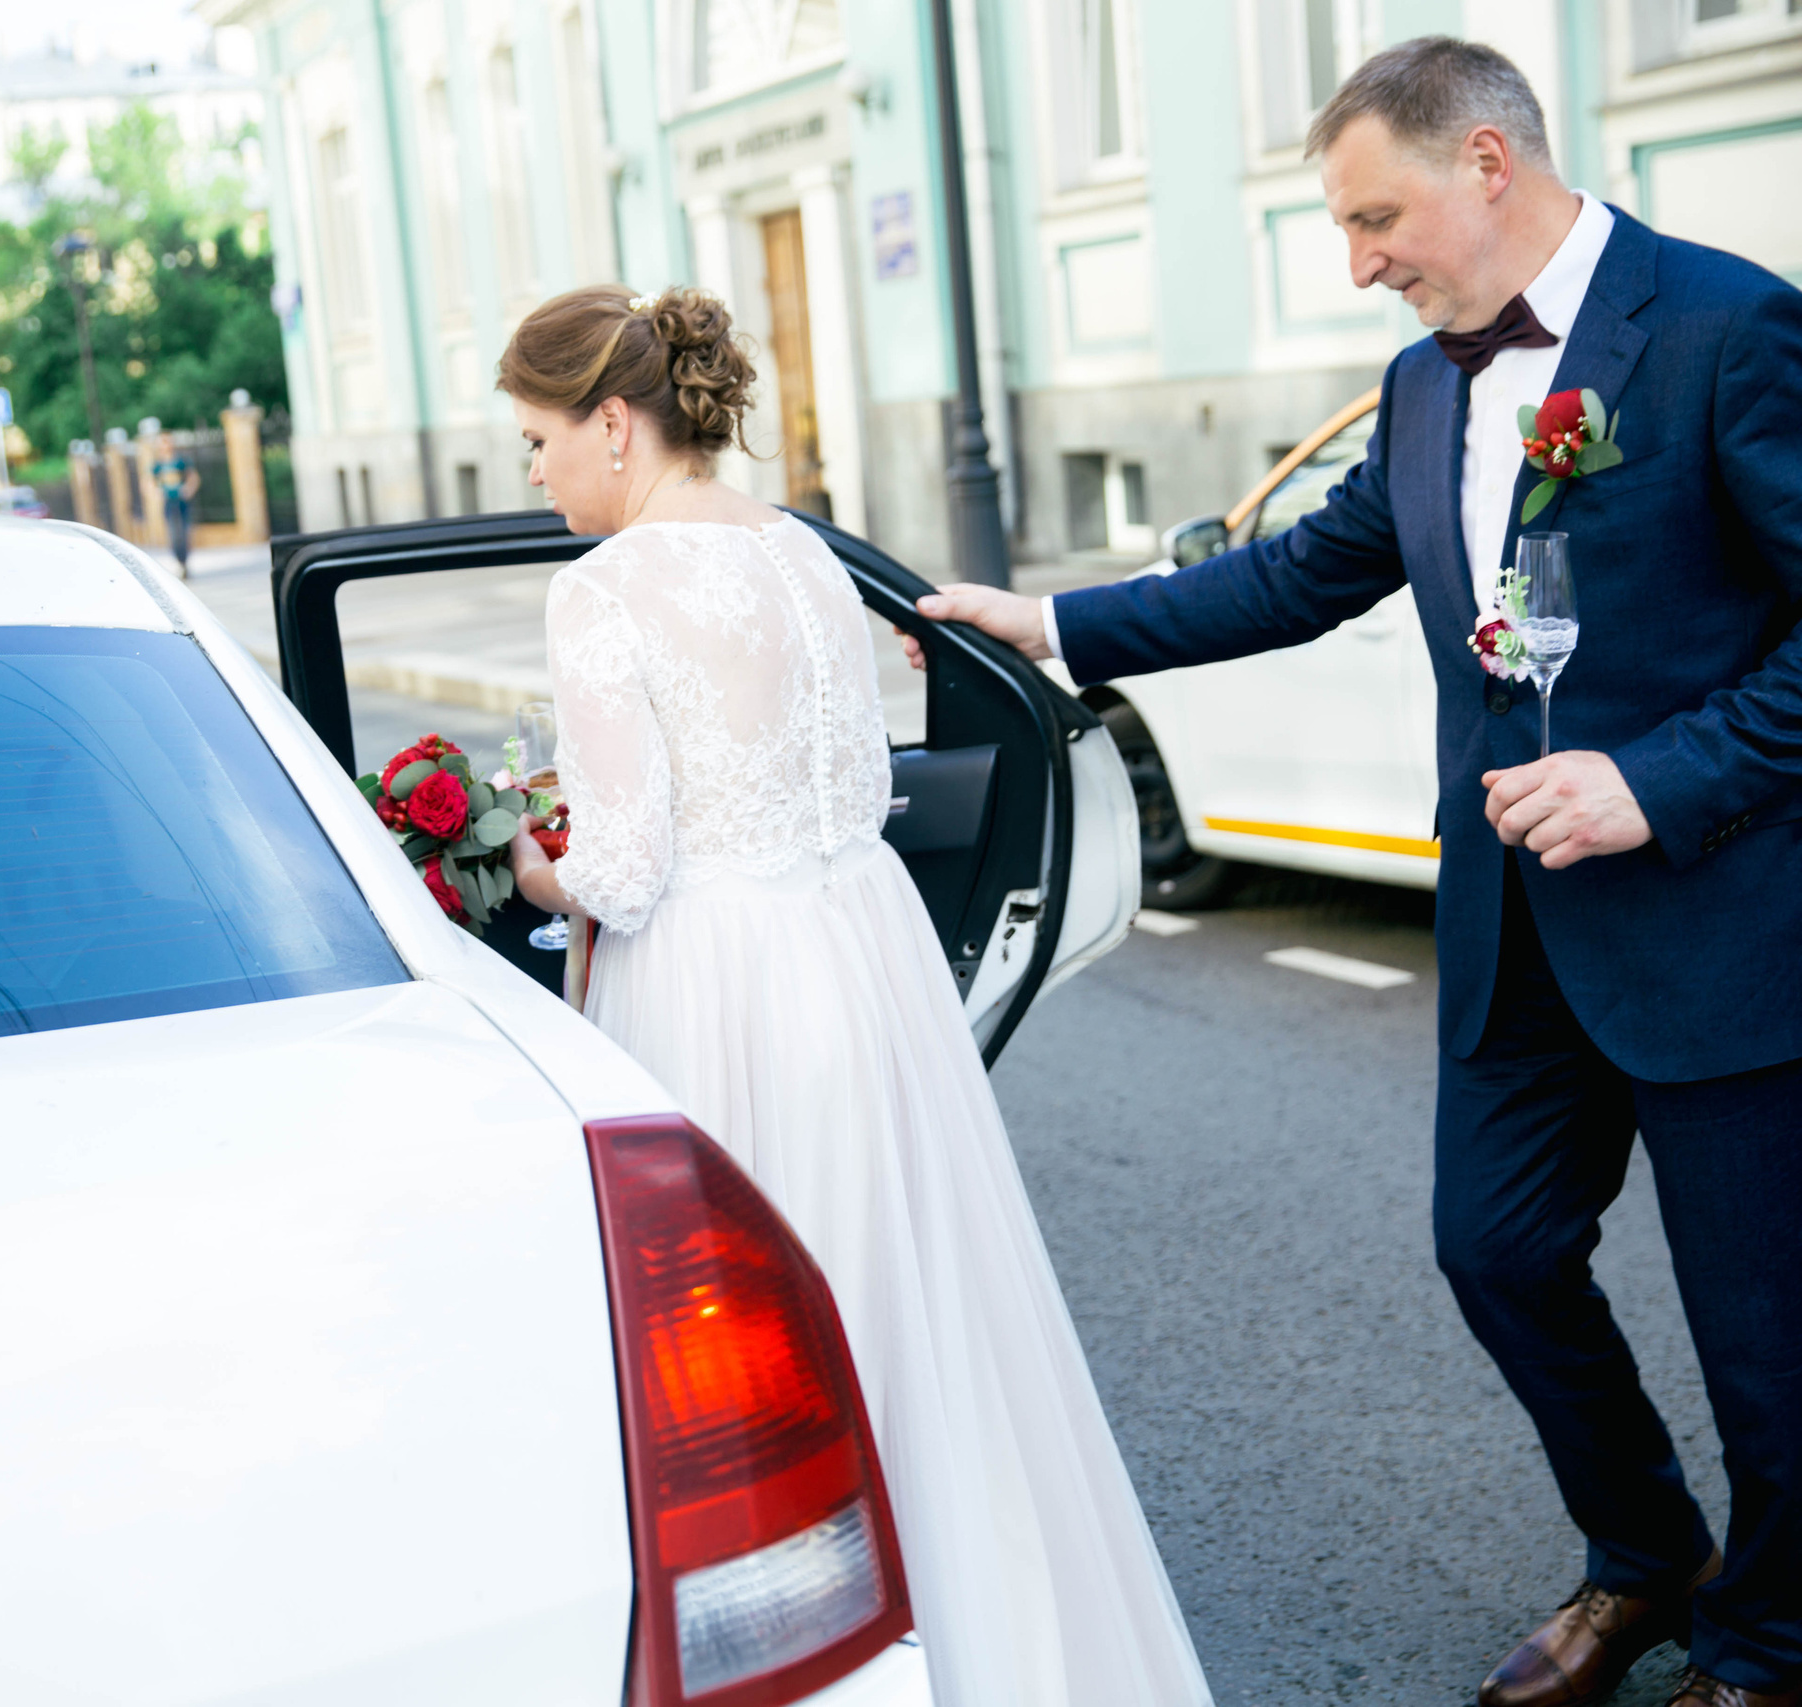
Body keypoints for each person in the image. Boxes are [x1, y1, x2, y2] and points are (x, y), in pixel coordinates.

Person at [912, 38, 1802, 1707]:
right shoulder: (1417, 386)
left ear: (1487, 163)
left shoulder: (1724, 327)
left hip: (1724, 929)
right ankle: (1643, 1554)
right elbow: (1297, 575)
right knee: (1498, 1252)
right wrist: (1048, 625)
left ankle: (1769, 1642)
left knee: (1770, 1344)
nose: (1360, 260)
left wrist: (1654, 780)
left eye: (1375, 215)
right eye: (1341, 228)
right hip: (1518, 928)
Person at [496, 283, 1214, 1707]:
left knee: (764, 1368)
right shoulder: (808, 554)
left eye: (536, 439)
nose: (534, 470)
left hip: (725, 992)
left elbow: (628, 869)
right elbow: (848, 783)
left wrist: (526, 868)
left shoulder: (600, 591)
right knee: (924, 1321)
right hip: (864, 965)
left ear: (615, 425)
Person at [150, 440, 202, 575]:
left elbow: (193, 477)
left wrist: (188, 490)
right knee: (173, 534)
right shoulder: (158, 464)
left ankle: (185, 562)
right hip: (168, 502)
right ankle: (179, 560)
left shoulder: (181, 461)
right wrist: (156, 492)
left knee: (184, 532)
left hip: (182, 503)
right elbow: (148, 481)